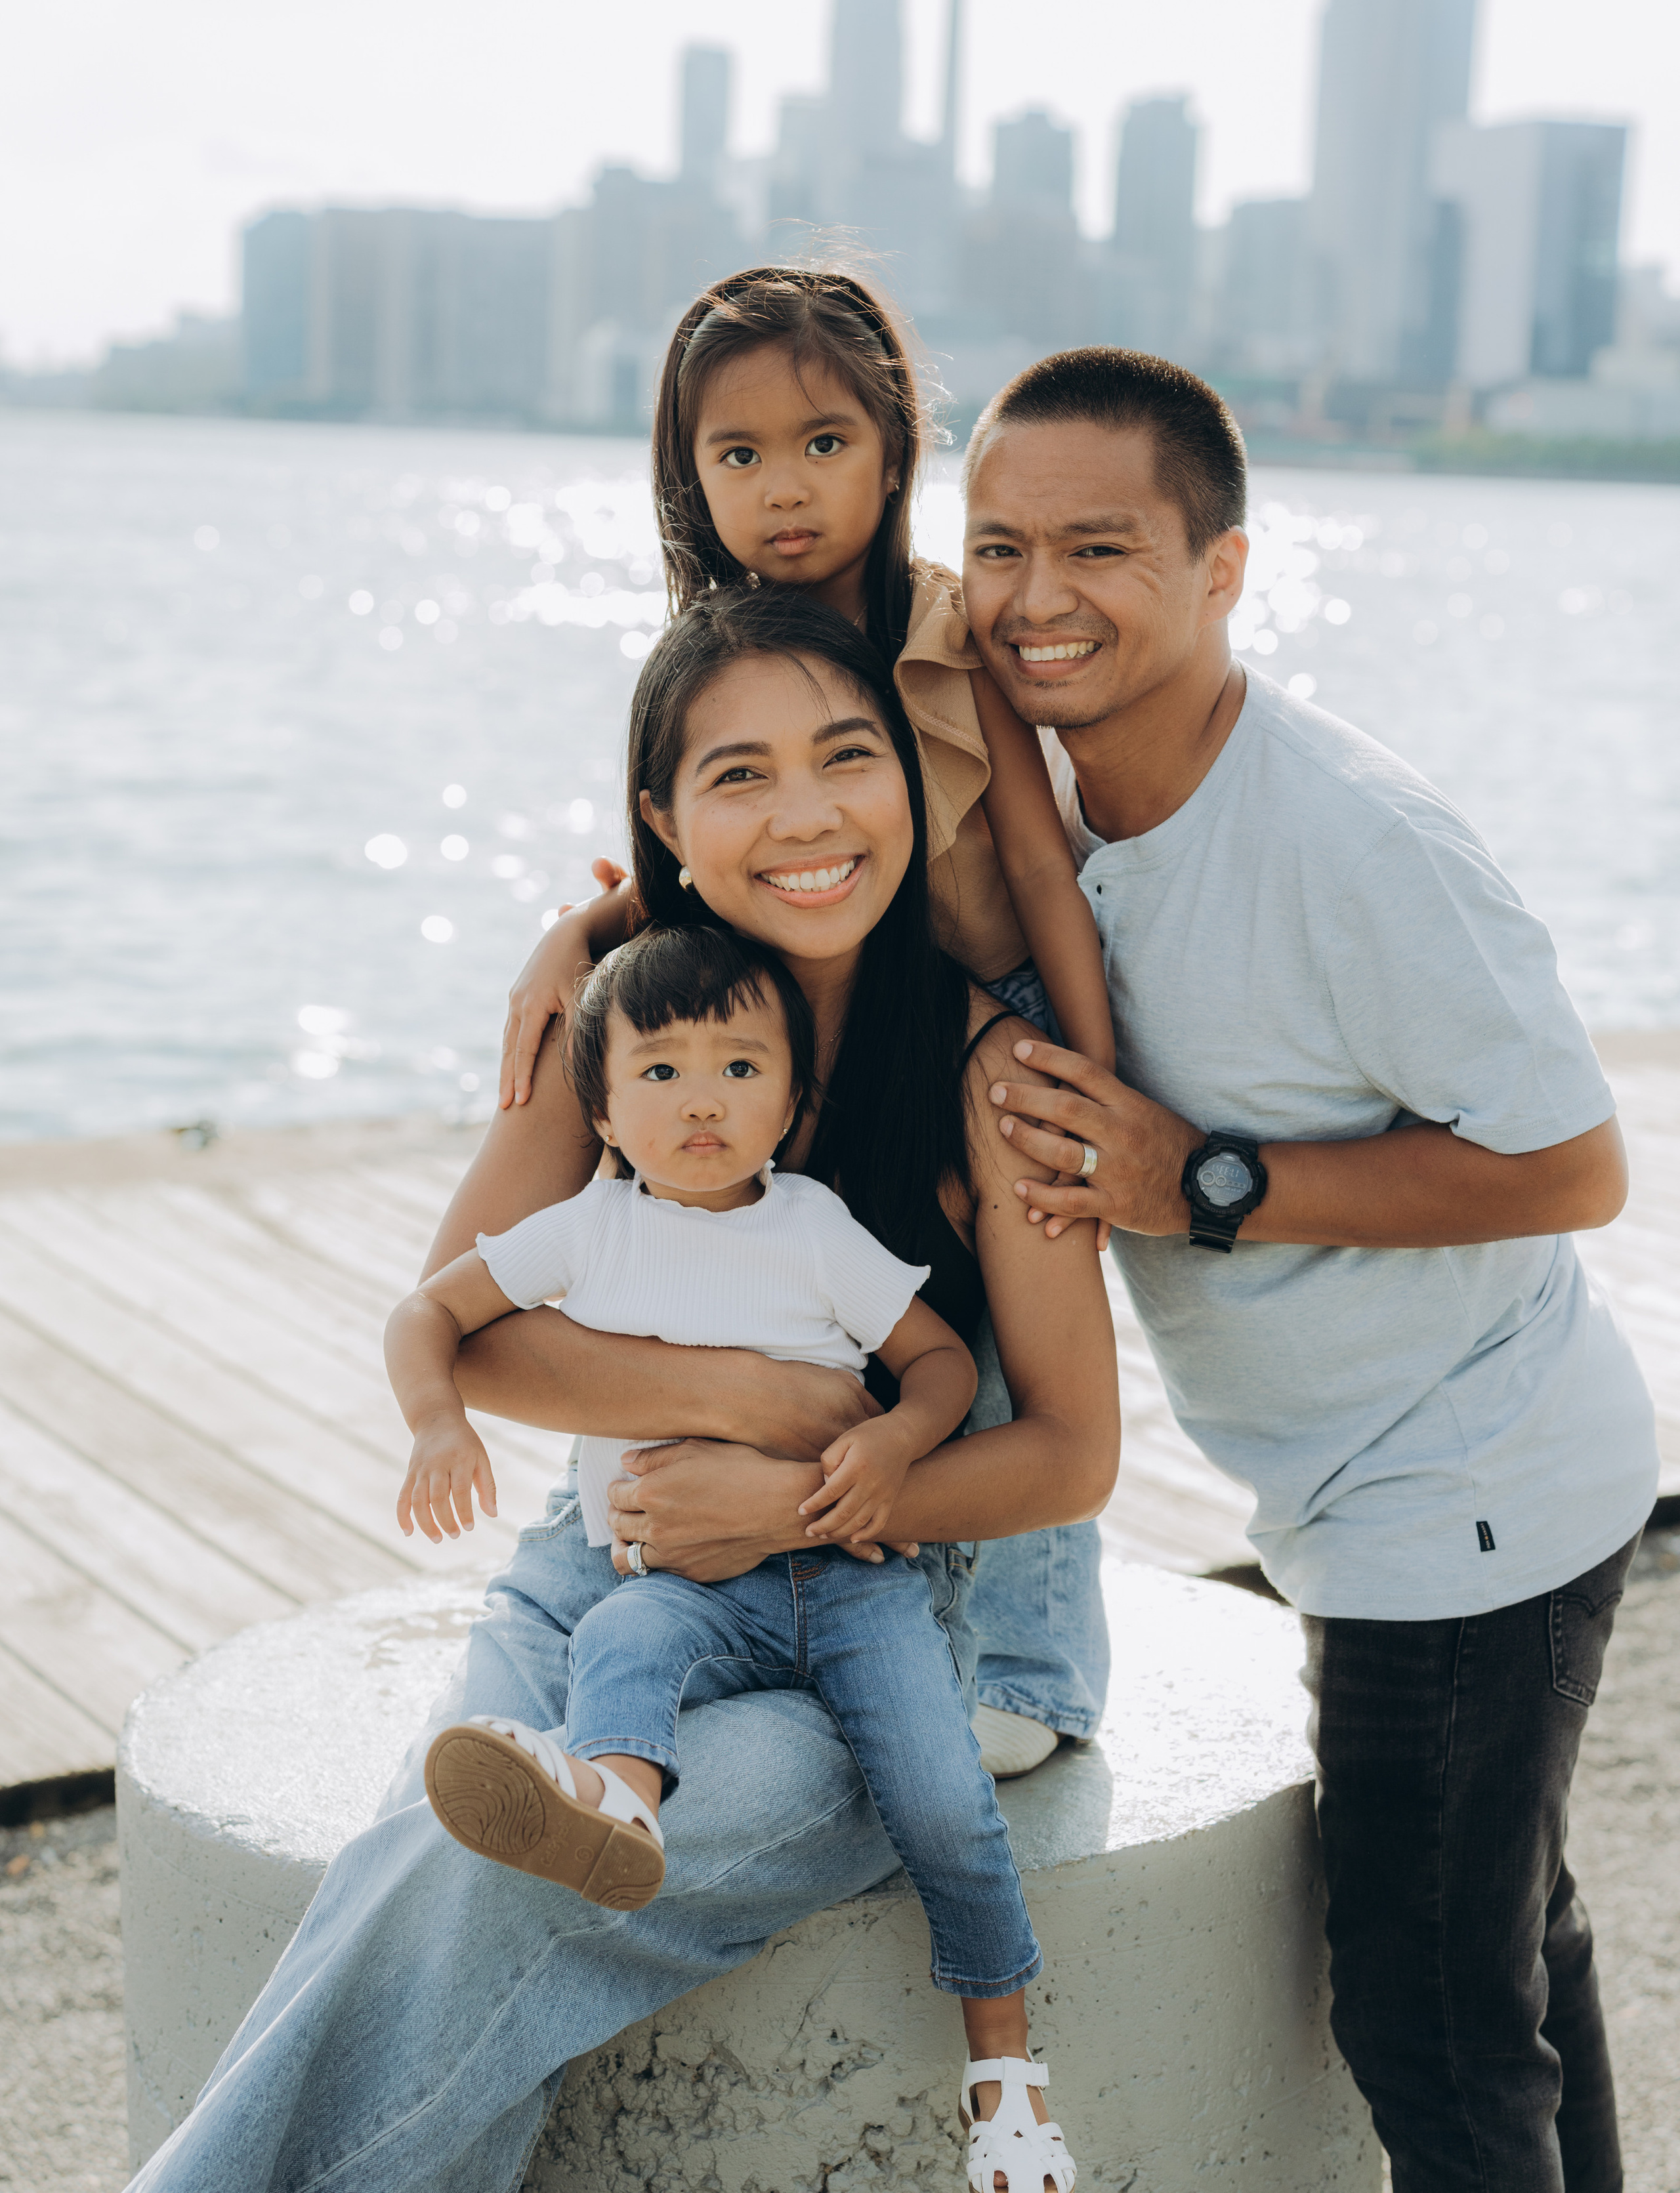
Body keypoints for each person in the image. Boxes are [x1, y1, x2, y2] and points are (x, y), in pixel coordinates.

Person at [128, 587, 1119, 2193]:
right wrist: (749, 1399)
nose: (803, 814)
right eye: (736, 775)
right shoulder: (631, 1024)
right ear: (657, 817)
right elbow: (459, 1325)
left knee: (496, 1881)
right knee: (445, 1833)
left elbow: (1072, 1454)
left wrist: (800, 1490)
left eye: (847, 757)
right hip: (602, 1586)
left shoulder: (979, 1073)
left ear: (915, 786)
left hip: (880, 1637)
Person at [957, 345, 1658, 2193]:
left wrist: (1207, 1182)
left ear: (1225, 571)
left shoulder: (1356, 835)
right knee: (1514, 1958)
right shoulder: (1053, 801)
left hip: (1469, 1499)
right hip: (1378, 1488)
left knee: (1427, 2029)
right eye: (999, 547)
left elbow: (1574, 1162)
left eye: (1098, 548)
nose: (1038, 598)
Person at [499, 264, 1116, 1780]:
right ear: (685, 474)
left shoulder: (943, 629)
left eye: (824, 444)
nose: (785, 488)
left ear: (897, 447)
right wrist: (568, 945)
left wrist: (1095, 1074)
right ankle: (741, 1554)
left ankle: (1025, 1651)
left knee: (984, 1331)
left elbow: (1038, 858)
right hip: (795, 1014)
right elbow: (685, 867)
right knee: (811, 1280)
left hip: (982, 1005)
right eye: (739, 455)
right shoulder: (714, 644)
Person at [385, 919, 1076, 2191]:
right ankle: (621, 1808)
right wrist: (438, 1424)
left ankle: (1006, 2076)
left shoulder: (811, 1227)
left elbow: (930, 1358)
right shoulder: (585, 1231)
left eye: (738, 1069)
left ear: (792, 1100)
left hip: (850, 1577)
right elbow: (429, 1307)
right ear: (598, 1106)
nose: (699, 1100)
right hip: (688, 1587)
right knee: (618, 1636)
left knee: (941, 1801)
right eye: (658, 1073)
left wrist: (901, 1450)